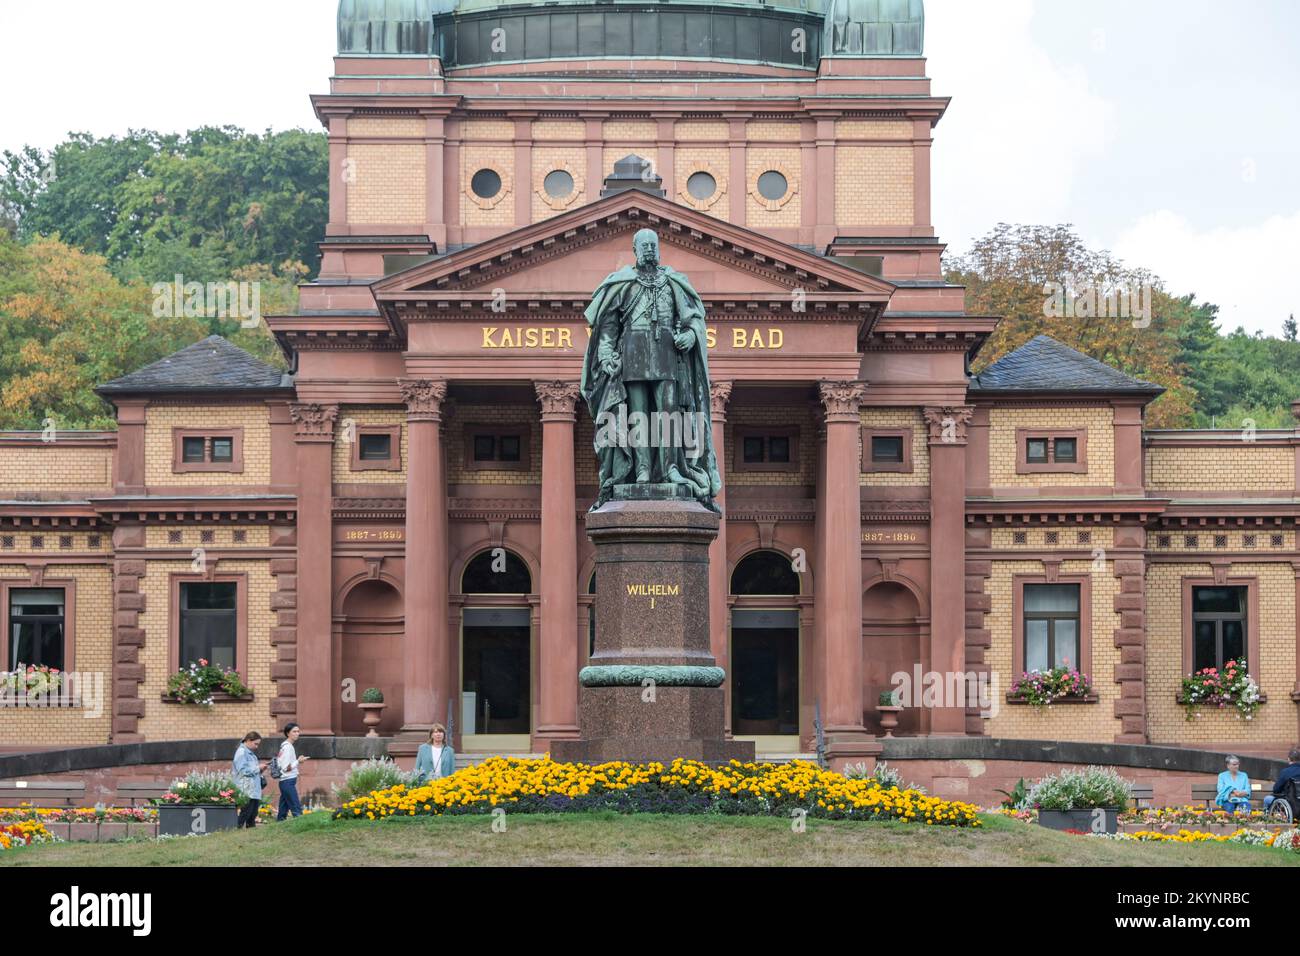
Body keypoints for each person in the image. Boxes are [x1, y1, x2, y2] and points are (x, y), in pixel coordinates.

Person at [276, 722, 310, 821]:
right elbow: (286, 768)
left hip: (286, 781)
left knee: (283, 809)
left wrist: (298, 761)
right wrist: (298, 761)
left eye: (298, 731)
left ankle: (279, 826)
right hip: (287, 781)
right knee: (296, 808)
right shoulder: (287, 747)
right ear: (288, 733)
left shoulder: (286, 746)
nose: (297, 733)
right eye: (294, 731)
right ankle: (301, 828)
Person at [232, 731, 267, 829]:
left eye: (258, 744)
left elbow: (253, 772)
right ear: (248, 740)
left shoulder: (251, 754)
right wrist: (258, 768)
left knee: (252, 815)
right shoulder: (241, 752)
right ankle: (235, 832)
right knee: (245, 813)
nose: (257, 747)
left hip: (253, 790)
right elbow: (243, 771)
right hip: (245, 789)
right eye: (256, 744)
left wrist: (261, 770)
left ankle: (251, 837)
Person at [1266, 745, 1300, 813]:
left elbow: (1276, 789)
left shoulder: (1285, 772)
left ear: (1288, 759)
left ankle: (1268, 819)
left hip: (1290, 801)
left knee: (1267, 799)